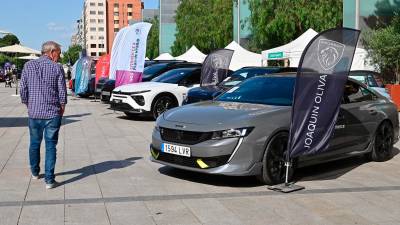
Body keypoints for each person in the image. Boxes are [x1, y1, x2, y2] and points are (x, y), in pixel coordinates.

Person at [20, 41, 67, 189]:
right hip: (53, 113)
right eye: (58, 54)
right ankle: (49, 180)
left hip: (34, 113)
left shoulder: (28, 66)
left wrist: (28, 104)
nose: (58, 57)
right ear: (52, 51)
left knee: (34, 143)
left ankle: (35, 172)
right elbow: (62, 92)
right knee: (51, 146)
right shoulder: (57, 68)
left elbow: (23, 89)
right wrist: (62, 107)